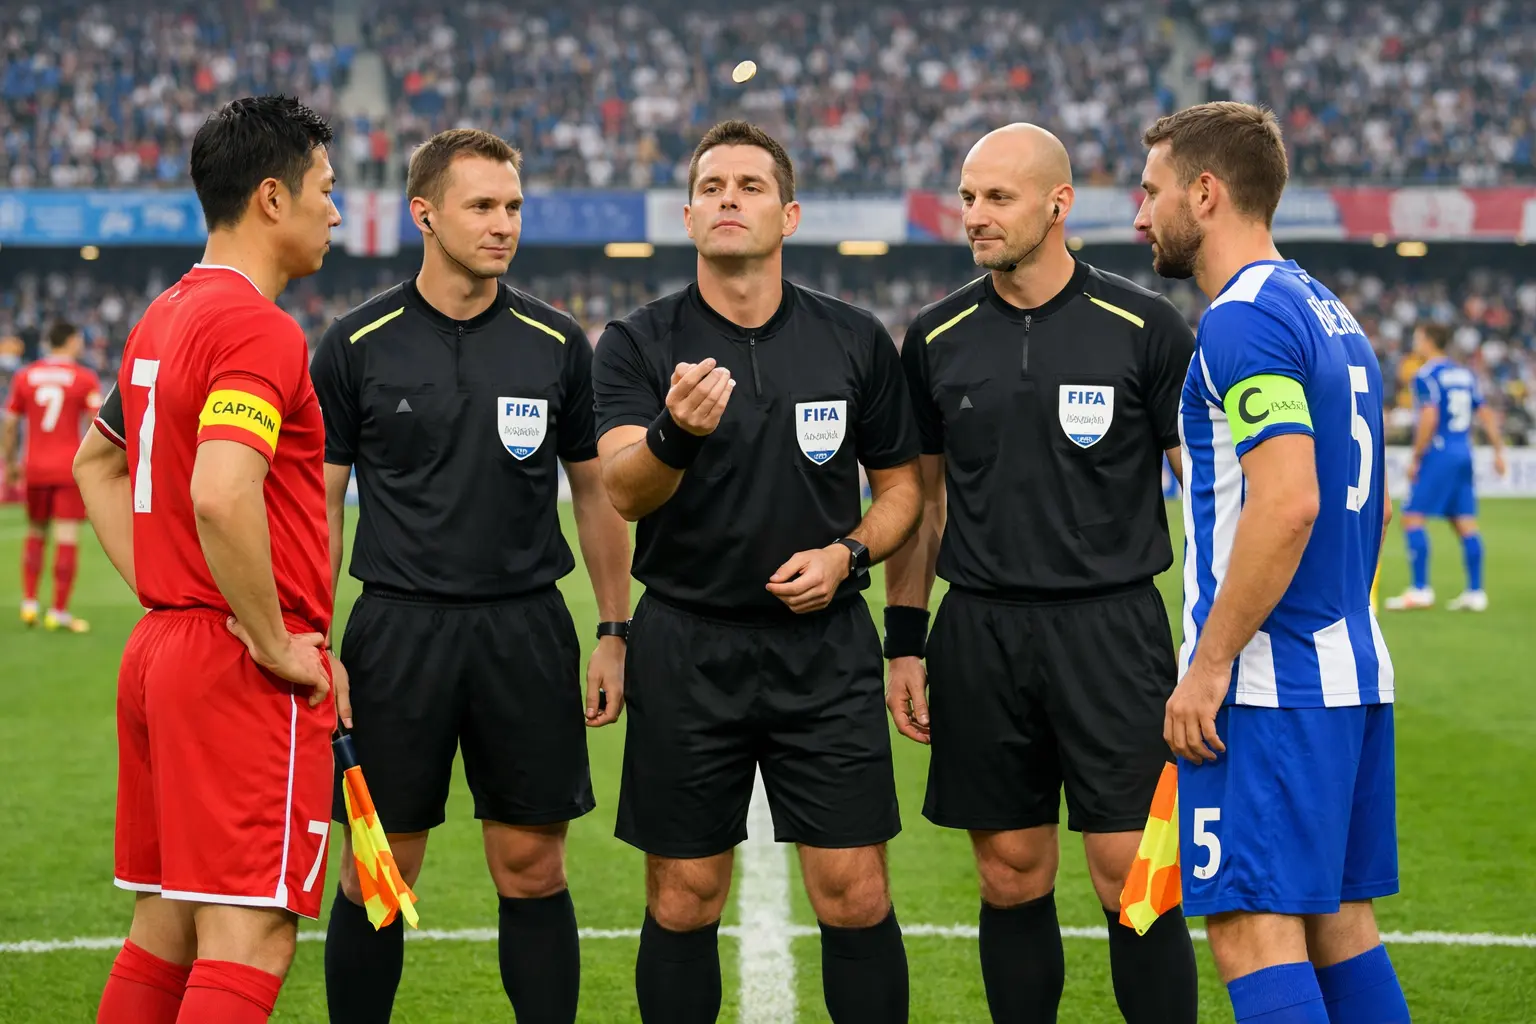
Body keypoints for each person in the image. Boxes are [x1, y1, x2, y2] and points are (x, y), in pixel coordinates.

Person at [592, 119, 922, 1024]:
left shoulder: (854, 339)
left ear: (789, 211)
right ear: (689, 213)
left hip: (824, 650)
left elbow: (903, 494)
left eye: (750, 184)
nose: (729, 197)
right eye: (713, 186)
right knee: (683, 896)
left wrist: (847, 553)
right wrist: (675, 434)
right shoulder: (635, 341)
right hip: (688, 646)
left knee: (853, 891)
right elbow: (623, 489)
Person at [309, 128, 632, 1024]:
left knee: (533, 868)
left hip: (524, 630)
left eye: (513, 207)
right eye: (482, 206)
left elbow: (598, 495)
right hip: (396, 635)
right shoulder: (354, 343)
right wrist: (315, 637)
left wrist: (614, 630)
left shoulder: (558, 341)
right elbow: (320, 503)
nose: (503, 225)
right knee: (380, 870)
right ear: (425, 213)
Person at [884, 123, 1199, 1024]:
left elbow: (1206, 495)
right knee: (1010, 875)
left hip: (1112, 631)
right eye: (969, 195)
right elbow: (924, 507)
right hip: (981, 632)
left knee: (1133, 882)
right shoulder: (936, 334)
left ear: (1057, 205)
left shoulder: (1147, 327)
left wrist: (1218, 643)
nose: (974, 216)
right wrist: (905, 644)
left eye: (997, 198)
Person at [1136, 101, 1409, 1024]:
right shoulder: (1325, 308)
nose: (1139, 216)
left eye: (1152, 190)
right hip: (1349, 666)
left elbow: (1289, 501)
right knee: (1337, 925)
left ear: (1204, 193)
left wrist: (1209, 665)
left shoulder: (1242, 319)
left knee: (1253, 927)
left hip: (1269, 682)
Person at [75, 95, 346, 1024]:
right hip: (234, 665)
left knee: (167, 923)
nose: (336, 211)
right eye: (325, 189)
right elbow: (223, 493)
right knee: (250, 934)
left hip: (164, 650)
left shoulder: (165, 313)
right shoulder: (258, 328)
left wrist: (170, 587)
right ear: (272, 198)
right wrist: (274, 641)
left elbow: (95, 461)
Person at [1384, 322, 1507, 612]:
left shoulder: (1426, 375)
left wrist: (1416, 456)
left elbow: (1429, 415)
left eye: (1418, 336)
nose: (1415, 341)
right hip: (1463, 450)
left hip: (1438, 451)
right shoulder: (1464, 373)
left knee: (1412, 517)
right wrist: (1499, 450)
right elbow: (1485, 412)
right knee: (1464, 521)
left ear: (1428, 340)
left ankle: (1420, 589)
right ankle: (1476, 592)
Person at [1, 320, 102, 631]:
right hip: (68, 468)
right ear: (71, 341)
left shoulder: (25, 376)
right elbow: (95, 425)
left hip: (35, 466)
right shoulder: (84, 379)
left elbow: (10, 423)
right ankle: (58, 611)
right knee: (67, 537)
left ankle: (30, 603)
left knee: (35, 532)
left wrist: (10, 462)